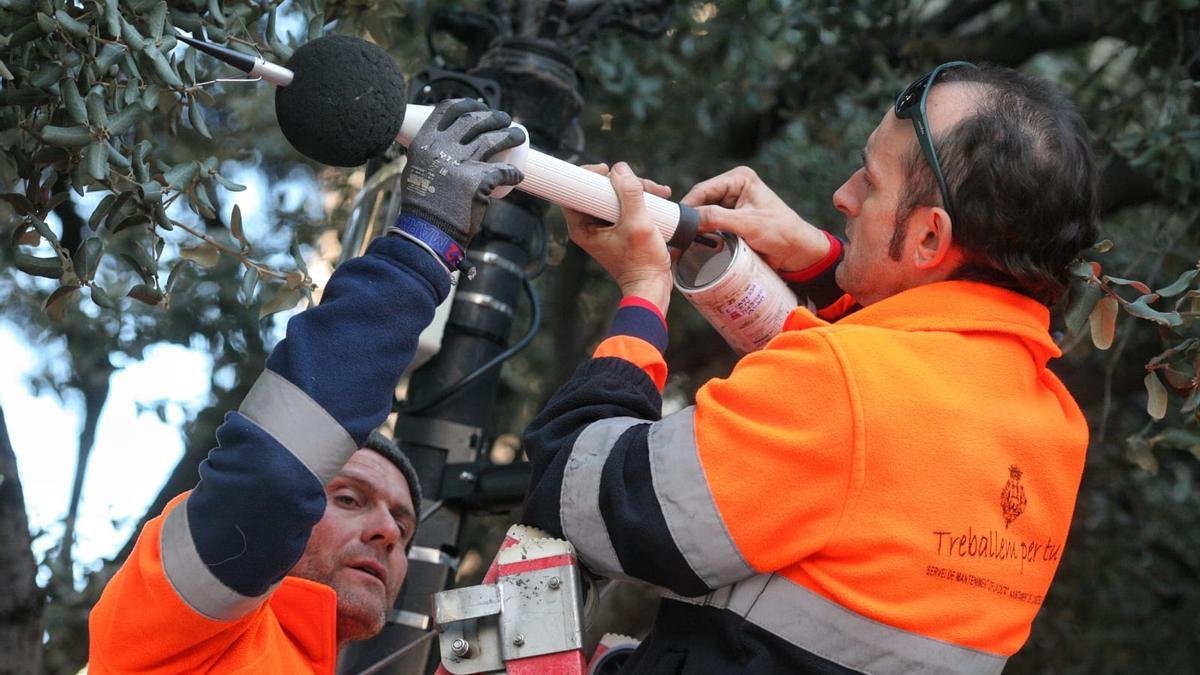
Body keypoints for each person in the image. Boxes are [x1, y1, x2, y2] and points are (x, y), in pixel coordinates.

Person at [521, 62, 1097, 673]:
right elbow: (910, 383)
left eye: (871, 184)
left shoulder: (842, 384)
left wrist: (642, 292)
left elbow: (572, 499)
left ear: (930, 239)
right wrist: (819, 258)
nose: (842, 197)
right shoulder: (1054, 429)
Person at [87, 99, 525, 673]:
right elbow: (272, 477)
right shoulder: (176, 624)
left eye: (403, 524)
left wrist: (645, 288)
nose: (388, 536)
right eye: (348, 498)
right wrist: (423, 243)